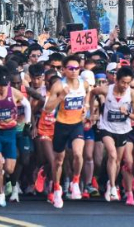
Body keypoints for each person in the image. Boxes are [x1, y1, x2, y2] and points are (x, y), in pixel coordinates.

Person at [89, 67, 134, 206]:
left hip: (123, 129)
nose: (125, 86)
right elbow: (92, 92)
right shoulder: (107, 90)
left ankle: (110, 183)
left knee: (117, 160)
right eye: (123, 82)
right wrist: (90, 111)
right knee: (112, 154)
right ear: (116, 80)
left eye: (128, 83)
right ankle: (112, 187)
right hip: (106, 127)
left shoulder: (132, 94)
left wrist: (127, 113)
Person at [44, 55, 89, 208]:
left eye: (77, 68)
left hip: (76, 125)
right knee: (59, 160)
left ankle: (75, 181)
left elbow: (89, 95)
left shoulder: (84, 84)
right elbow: (47, 108)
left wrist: (86, 108)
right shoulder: (58, 86)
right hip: (61, 125)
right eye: (71, 68)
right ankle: (57, 188)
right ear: (64, 70)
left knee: (78, 153)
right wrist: (61, 97)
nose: (74, 71)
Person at [0, 67, 30, 207]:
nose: (2, 88)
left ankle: (1, 172)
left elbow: (27, 106)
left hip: (10, 132)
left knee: (9, 169)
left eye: (5, 85)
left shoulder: (14, 93)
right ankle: (1, 196)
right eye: (0, 85)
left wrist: (27, 124)